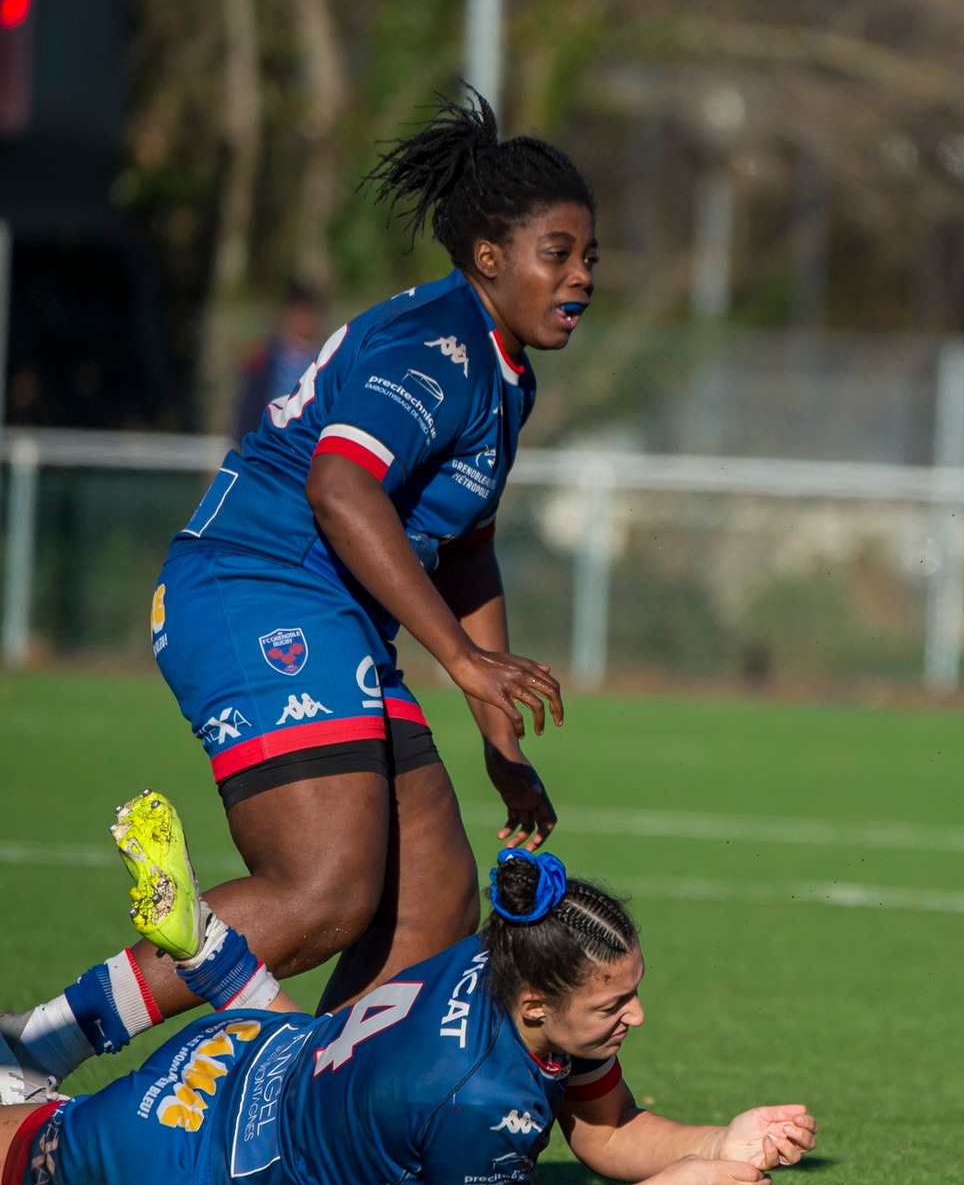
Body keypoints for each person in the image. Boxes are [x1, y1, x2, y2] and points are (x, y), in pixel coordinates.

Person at [0, 94, 590, 1103]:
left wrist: (498, 732)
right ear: (487, 256)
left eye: (589, 256)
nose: (582, 276)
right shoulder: (439, 347)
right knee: (324, 892)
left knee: (434, 900)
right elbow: (338, 485)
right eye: (558, 252)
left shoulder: (504, 377)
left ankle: (307, 1118)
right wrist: (460, 660)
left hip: (326, 612)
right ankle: (32, 1047)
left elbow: (466, 546)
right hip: (253, 583)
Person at [1, 790, 815, 1185]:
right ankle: (203, 961)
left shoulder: (506, 968)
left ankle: (217, 958)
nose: (634, 1015)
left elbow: (607, 1135)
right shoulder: (481, 1094)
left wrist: (720, 1142)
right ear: (538, 1006)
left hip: (251, 1055)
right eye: (614, 1004)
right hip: (192, 1171)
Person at [232, 283, 327, 447]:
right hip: (267, 445)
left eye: (308, 314)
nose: (303, 320)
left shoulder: (326, 360)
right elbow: (248, 409)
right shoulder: (264, 358)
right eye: (299, 313)